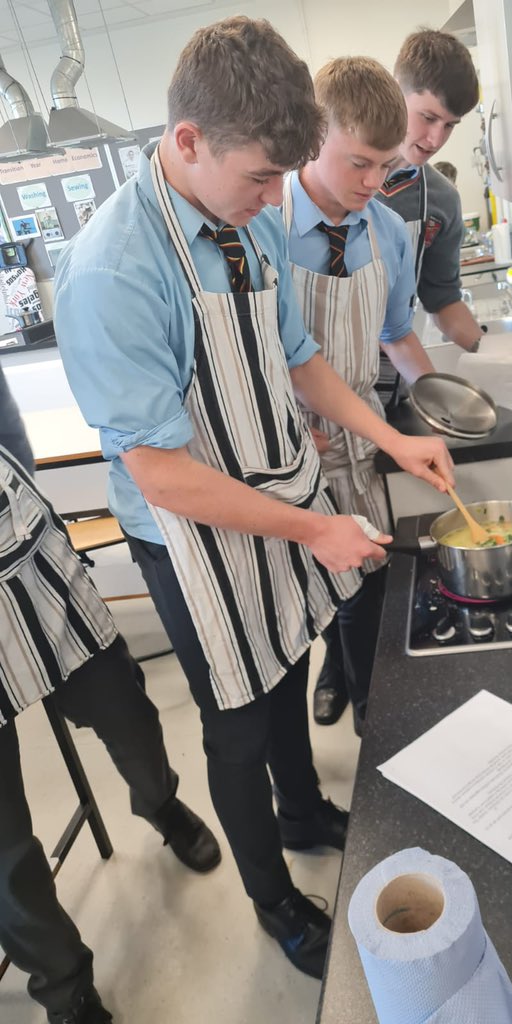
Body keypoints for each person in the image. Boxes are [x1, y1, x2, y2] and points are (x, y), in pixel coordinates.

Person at [54, 17, 453, 981]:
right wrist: (317, 524)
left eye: (284, 177)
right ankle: (274, 903)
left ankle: (305, 809)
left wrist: (393, 435)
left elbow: (299, 356)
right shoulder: (114, 270)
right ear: (187, 142)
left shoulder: (249, 219)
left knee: (286, 667)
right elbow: (160, 471)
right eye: (261, 180)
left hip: (275, 492)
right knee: (237, 715)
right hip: (192, 536)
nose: (277, 199)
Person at [0, 364, 221, 1024]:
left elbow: (8, 428)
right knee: (2, 843)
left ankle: (161, 803)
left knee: (127, 711)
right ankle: (65, 986)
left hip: (26, 558)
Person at [282, 57, 436, 734]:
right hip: (288, 450)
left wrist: (438, 406)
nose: (376, 184)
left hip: (362, 436)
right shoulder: (261, 228)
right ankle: (333, 671)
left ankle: (376, 717)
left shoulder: (389, 233)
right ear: (314, 139)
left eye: (387, 166)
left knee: (368, 592)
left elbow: (397, 336)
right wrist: (281, 426)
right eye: (358, 165)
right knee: (310, 597)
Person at [376, 29, 484, 380]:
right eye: (428, 117)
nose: (437, 139)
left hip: (397, 379)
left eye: (450, 125)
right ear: (394, 91)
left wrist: (495, 352)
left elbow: (442, 300)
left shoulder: (442, 201)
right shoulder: (326, 180)